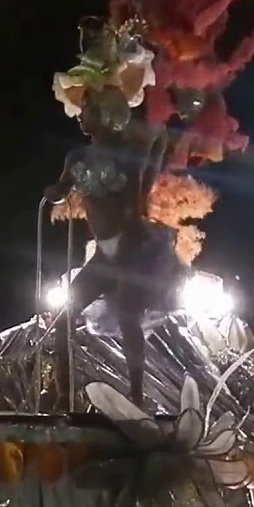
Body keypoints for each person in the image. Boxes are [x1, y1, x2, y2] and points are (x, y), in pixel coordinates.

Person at [45, 84, 180, 408]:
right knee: (64, 318)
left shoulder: (127, 153)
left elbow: (153, 153)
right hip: (104, 253)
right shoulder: (76, 157)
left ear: (107, 115)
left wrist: (152, 144)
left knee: (127, 315)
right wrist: (54, 192)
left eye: (89, 109)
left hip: (132, 249)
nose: (81, 115)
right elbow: (60, 190)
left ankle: (136, 394)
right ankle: (65, 394)